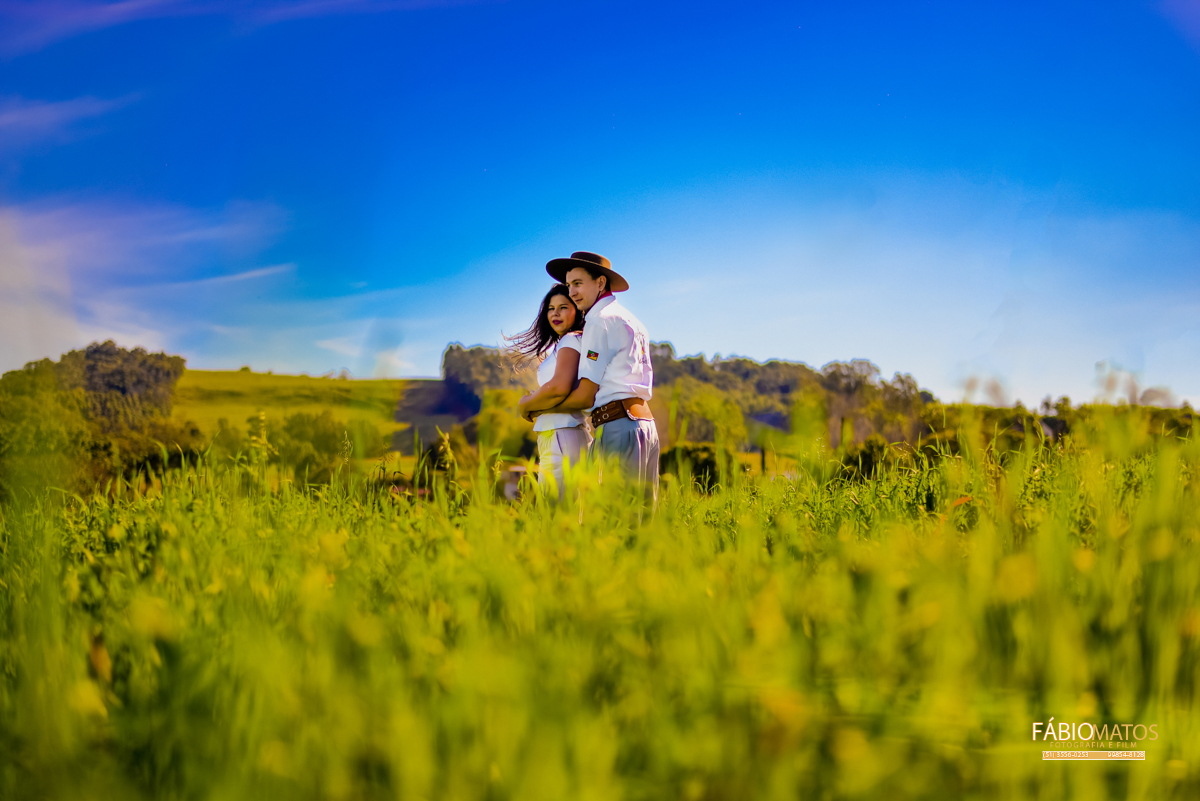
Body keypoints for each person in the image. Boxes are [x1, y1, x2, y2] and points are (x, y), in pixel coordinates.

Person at [525, 251, 659, 500]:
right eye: (569, 285)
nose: (572, 292)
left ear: (600, 282)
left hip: (618, 424)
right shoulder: (632, 319)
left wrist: (537, 408)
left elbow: (585, 397)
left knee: (616, 517)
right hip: (645, 425)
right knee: (641, 517)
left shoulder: (599, 321)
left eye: (578, 284)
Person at [512, 284, 592, 499]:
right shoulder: (563, 343)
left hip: (564, 435)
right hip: (557, 435)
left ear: (577, 310)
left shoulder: (571, 339)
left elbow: (558, 388)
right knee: (555, 514)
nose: (555, 313)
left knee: (558, 516)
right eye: (550, 308)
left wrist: (526, 405)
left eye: (563, 307)